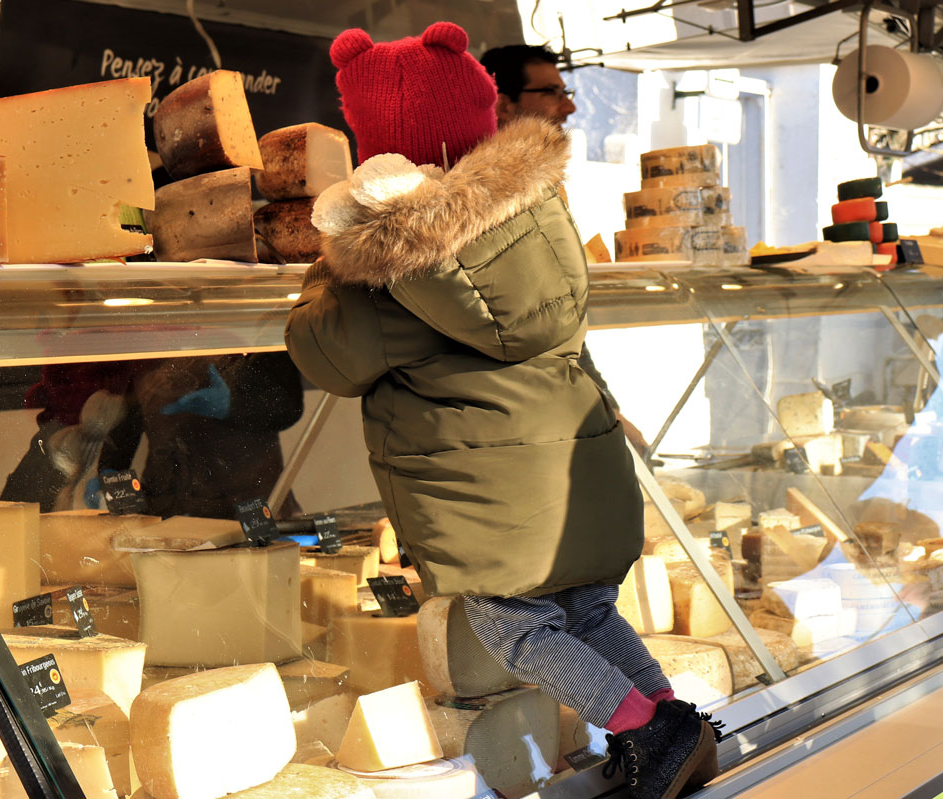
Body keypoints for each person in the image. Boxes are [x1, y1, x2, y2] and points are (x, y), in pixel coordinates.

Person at [286, 23, 717, 799]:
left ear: (377, 144)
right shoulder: (540, 213)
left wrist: (330, 270)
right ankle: (677, 723)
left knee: (511, 625)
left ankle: (642, 727)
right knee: (585, 608)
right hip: (571, 465)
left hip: (491, 497)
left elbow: (327, 356)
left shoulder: (389, 263)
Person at [479, 44, 650, 453]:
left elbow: (559, 318)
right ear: (503, 105)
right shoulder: (489, 195)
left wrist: (605, 407)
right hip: (517, 422)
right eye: (552, 93)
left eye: (565, 92)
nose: (569, 108)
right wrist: (603, 410)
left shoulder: (542, 186)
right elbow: (538, 320)